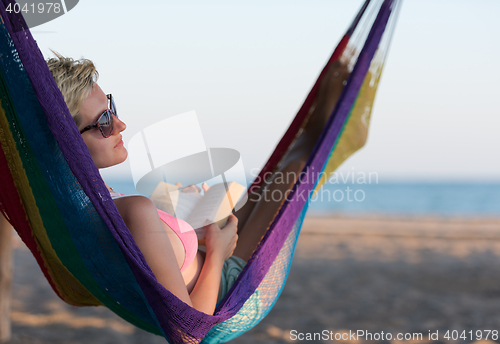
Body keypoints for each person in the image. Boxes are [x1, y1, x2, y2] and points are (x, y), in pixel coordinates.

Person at [47, 53, 349, 315]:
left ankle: (323, 115)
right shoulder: (130, 209)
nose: (120, 124)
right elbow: (189, 331)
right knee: (293, 171)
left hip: (209, 253)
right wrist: (217, 253)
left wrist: (190, 231)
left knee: (271, 180)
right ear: (69, 141)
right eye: (103, 122)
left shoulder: (82, 205)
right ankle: (327, 115)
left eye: (112, 108)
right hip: (227, 282)